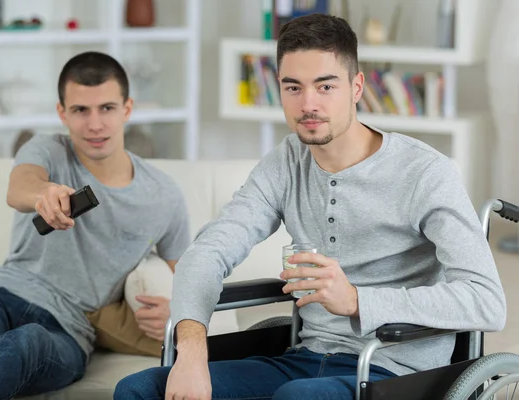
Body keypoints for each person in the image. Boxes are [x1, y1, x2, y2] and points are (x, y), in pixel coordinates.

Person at [113, 13, 507, 400]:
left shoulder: (425, 172)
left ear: (355, 87)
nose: (308, 104)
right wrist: (193, 352)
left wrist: (357, 299)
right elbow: (209, 251)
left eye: (325, 86)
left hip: (389, 369)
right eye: (293, 87)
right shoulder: (286, 161)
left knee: (298, 396)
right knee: (139, 389)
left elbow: (486, 301)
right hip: (303, 359)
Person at [0, 51, 191, 400]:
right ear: (62, 112)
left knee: (26, 340)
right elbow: (20, 187)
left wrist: (181, 312)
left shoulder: (163, 194)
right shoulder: (46, 149)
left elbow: (188, 271)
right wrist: (44, 193)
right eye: (80, 110)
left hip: (68, 331)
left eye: (106, 108)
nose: (95, 124)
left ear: (127, 108)